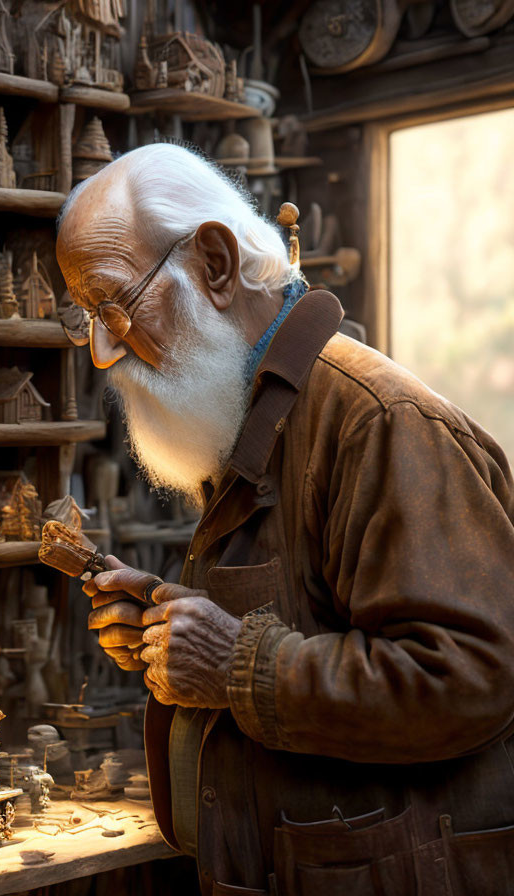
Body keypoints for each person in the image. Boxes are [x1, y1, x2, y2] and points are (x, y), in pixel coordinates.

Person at [55, 143, 514, 896]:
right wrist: (170, 626)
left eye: (114, 304)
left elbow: (473, 676)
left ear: (214, 263)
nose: (104, 350)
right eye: (86, 319)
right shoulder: (258, 422)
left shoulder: (378, 422)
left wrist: (239, 665)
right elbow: (302, 619)